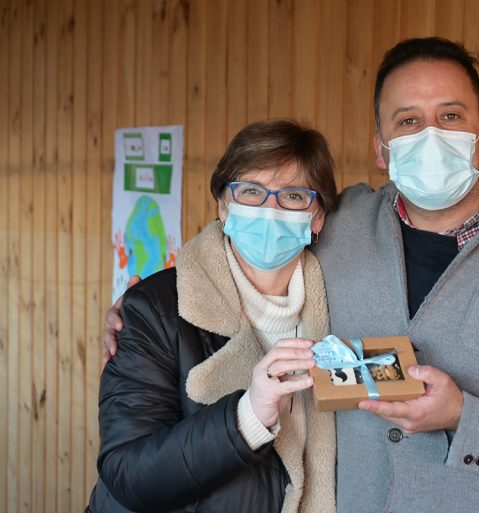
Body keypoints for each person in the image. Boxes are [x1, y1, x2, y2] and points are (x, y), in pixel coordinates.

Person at [105, 38, 479, 513]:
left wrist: (464, 416)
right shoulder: (342, 223)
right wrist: (144, 305)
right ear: (381, 150)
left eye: (450, 115)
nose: (431, 135)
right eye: (408, 121)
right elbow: (244, 238)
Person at [88, 119, 338, 513]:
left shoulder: (341, 306)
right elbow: (127, 474)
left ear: (318, 217)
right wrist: (247, 417)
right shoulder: (154, 308)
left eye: (293, 195)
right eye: (251, 191)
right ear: (223, 206)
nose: (270, 210)